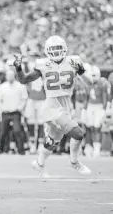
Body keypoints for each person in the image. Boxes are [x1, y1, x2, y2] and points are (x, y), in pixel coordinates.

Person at [13, 35, 91, 176]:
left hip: (66, 105)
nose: (55, 52)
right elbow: (24, 80)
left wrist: (81, 71)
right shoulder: (43, 64)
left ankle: (39, 163)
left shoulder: (73, 61)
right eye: (53, 49)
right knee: (78, 134)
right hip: (52, 106)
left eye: (58, 48)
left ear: (64, 49)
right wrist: (18, 67)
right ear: (47, 50)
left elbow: (90, 83)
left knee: (52, 142)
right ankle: (74, 162)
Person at [0, 69, 28, 154]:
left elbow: (24, 98)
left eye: (11, 75)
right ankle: (2, 149)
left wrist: (19, 108)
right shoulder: (2, 87)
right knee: (3, 132)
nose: (9, 77)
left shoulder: (20, 86)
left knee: (17, 131)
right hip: (5, 112)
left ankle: (21, 150)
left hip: (15, 113)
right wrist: (2, 108)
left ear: (14, 76)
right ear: (6, 76)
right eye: (8, 75)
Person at [84, 66, 108, 157]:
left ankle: (97, 148)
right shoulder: (88, 84)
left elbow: (104, 98)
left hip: (99, 107)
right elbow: (87, 97)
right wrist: (85, 109)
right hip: (90, 107)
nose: (93, 77)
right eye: (92, 75)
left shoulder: (102, 83)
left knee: (97, 127)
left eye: (94, 75)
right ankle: (89, 147)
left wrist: (104, 110)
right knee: (90, 127)